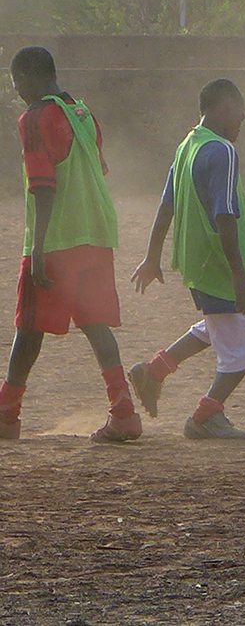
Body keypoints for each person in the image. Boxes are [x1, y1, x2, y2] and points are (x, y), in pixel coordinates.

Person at [0, 46, 140, 443]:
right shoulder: (83, 114)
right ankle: (124, 413)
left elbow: (43, 188)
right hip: (95, 234)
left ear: (29, 77)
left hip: (58, 237)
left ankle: (6, 415)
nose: (17, 93)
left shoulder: (34, 118)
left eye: (16, 85)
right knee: (95, 323)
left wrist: (39, 249)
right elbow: (96, 170)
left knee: (28, 326)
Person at [128, 79, 245, 440]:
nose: (241, 124)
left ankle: (154, 371)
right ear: (225, 108)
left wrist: (153, 256)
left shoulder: (187, 146)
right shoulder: (222, 152)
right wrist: (240, 278)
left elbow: (166, 205)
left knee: (214, 327)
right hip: (221, 265)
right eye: (240, 116)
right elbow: (225, 217)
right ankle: (206, 416)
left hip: (199, 265)